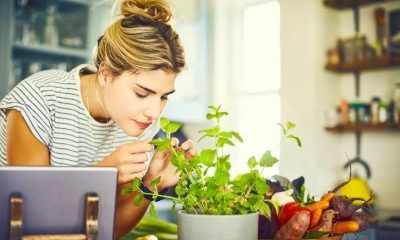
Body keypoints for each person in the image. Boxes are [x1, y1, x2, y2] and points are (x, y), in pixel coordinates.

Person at [0, 0, 196, 237]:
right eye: (142, 93)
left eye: (164, 97)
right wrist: (103, 173)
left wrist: (151, 182)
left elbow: (107, 230)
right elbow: (30, 221)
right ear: (105, 74)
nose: (154, 112)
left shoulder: (139, 123)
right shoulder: (39, 98)